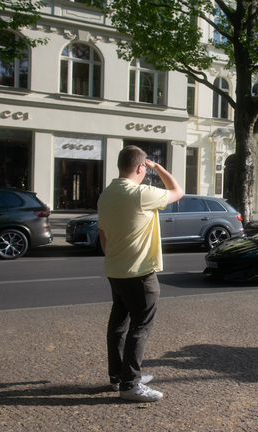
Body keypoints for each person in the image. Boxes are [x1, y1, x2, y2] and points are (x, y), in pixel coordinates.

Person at [98, 145, 184, 402]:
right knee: (140, 326)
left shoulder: (107, 194)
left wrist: (115, 258)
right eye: (145, 169)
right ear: (140, 167)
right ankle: (130, 384)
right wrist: (157, 167)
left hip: (115, 270)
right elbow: (178, 192)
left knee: (118, 325)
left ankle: (118, 376)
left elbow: (103, 236)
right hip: (140, 272)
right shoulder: (140, 193)